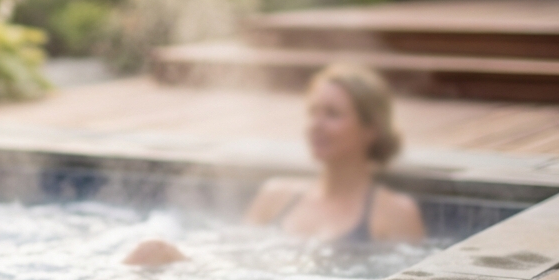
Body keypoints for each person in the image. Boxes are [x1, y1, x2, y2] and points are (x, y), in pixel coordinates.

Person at [124, 64, 424, 266]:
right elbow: (232, 261)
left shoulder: (394, 214)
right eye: (313, 113)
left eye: (332, 114)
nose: (315, 126)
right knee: (150, 248)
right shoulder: (276, 195)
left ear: (371, 128)